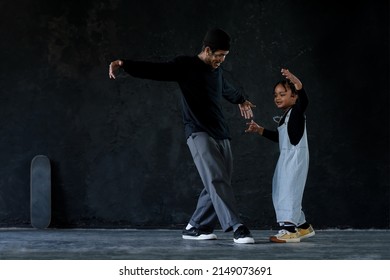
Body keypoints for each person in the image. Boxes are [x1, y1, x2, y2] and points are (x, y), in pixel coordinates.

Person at [109, 28, 256, 244]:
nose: (221, 60)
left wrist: (242, 99)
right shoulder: (185, 66)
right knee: (216, 179)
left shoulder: (218, 72)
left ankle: (195, 227)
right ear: (207, 50)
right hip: (198, 132)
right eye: (219, 56)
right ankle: (237, 226)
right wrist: (124, 64)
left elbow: (228, 90)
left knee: (217, 182)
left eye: (224, 56)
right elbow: (156, 70)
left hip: (221, 132)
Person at [245, 69, 315, 243]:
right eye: (276, 94)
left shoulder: (297, 112)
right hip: (286, 157)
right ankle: (303, 227)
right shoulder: (286, 116)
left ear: (294, 96)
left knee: (287, 191)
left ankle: (290, 230)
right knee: (280, 188)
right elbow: (281, 137)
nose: (277, 97)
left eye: (283, 94)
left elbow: (304, 101)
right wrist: (260, 130)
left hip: (294, 159)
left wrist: (297, 83)